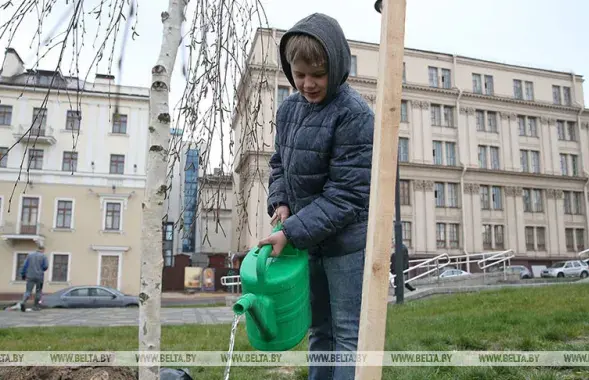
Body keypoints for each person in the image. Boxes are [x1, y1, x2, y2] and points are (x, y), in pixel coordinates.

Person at [257, 13, 374, 380]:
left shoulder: (354, 115)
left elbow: (346, 195)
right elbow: (279, 164)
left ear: (336, 67)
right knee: (319, 333)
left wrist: (291, 232)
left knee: (347, 336)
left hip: (345, 247)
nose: (307, 84)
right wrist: (280, 202)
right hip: (307, 244)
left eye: (317, 75)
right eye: (299, 74)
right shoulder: (289, 109)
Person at [19, 245, 48, 312]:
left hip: (30, 276)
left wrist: (23, 274)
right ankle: (35, 306)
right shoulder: (44, 256)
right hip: (39, 277)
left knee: (28, 291)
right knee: (38, 291)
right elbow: (46, 266)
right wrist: (41, 269)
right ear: (43, 249)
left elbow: (24, 265)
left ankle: (23, 302)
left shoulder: (30, 255)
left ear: (37, 249)